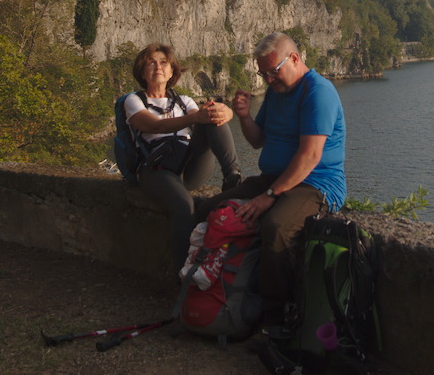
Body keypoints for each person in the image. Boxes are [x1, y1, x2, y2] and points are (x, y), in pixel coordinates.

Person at [196, 31, 346, 328]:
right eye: (262, 73)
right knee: (209, 208)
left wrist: (270, 195)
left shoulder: (318, 92)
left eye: (272, 72)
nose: (268, 80)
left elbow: (309, 157)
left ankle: (276, 318)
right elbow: (258, 140)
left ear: (294, 58)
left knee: (276, 227)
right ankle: (214, 295)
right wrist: (244, 117)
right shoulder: (278, 92)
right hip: (274, 178)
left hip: (316, 184)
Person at [125, 43, 243, 270]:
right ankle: (183, 272)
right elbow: (155, 126)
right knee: (184, 205)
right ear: (142, 72)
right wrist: (195, 118)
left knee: (211, 117)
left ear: (172, 72)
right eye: (151, 62)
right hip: (156, 171)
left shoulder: (184, 101)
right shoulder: (134, 101)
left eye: (163, 62)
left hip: (188, 168)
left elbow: (211, 118)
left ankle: (232, 178)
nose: (157, 67)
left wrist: (224, 112)